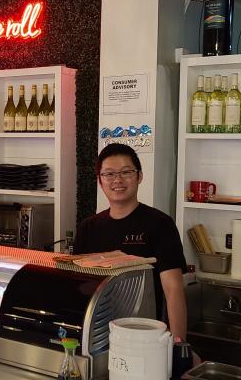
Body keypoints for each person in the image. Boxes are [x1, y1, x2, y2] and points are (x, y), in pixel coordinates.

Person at [74, 143, 188, 341]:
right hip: (96, 333)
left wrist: (179, 343)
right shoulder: (88, 227)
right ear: (100, 181)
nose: (117, 180)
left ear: (139, 176)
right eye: (109, 174)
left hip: (145, 333)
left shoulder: (160, 224)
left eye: (126, 172)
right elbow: (79, 286)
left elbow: (173, 288)